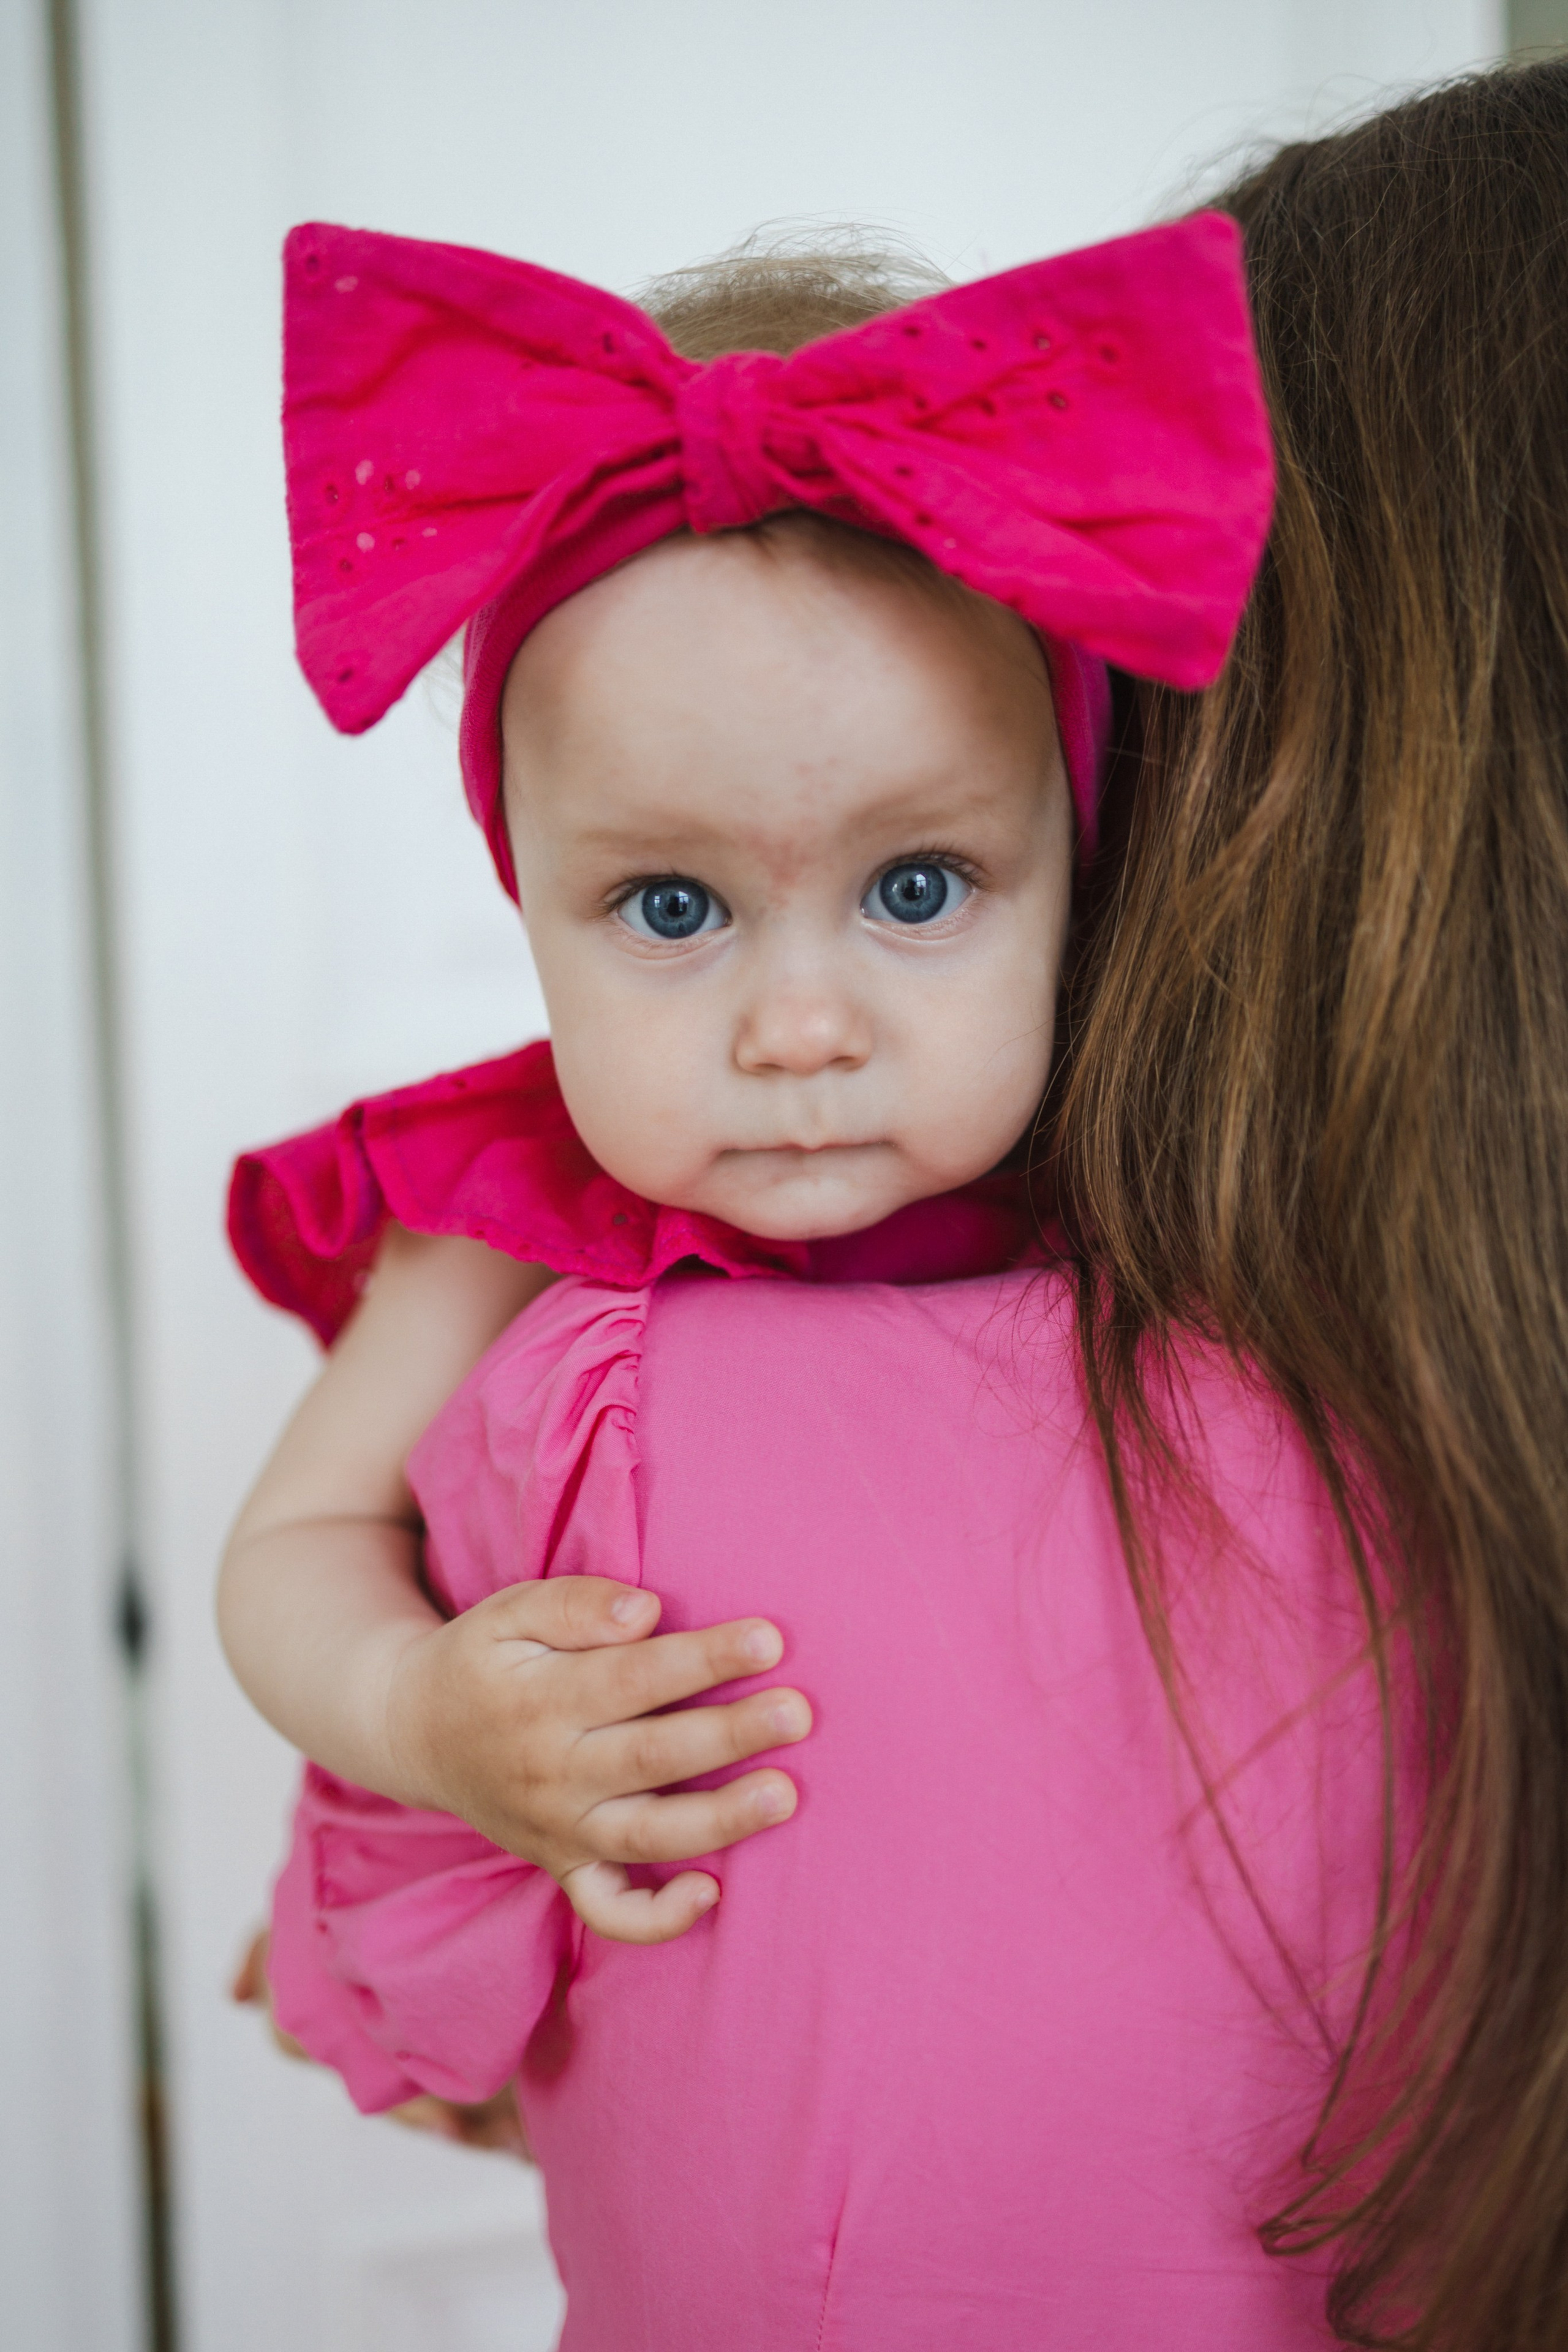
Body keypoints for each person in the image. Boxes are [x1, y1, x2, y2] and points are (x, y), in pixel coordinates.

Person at [221, 58, 1568, 2334]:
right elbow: (293, 1553)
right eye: (669, 913)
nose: (800, 1026)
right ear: (519, 893)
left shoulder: (1187, 1199)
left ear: (1086, 865)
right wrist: (429, 1724)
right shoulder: (495, 1208)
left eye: (919, 885)